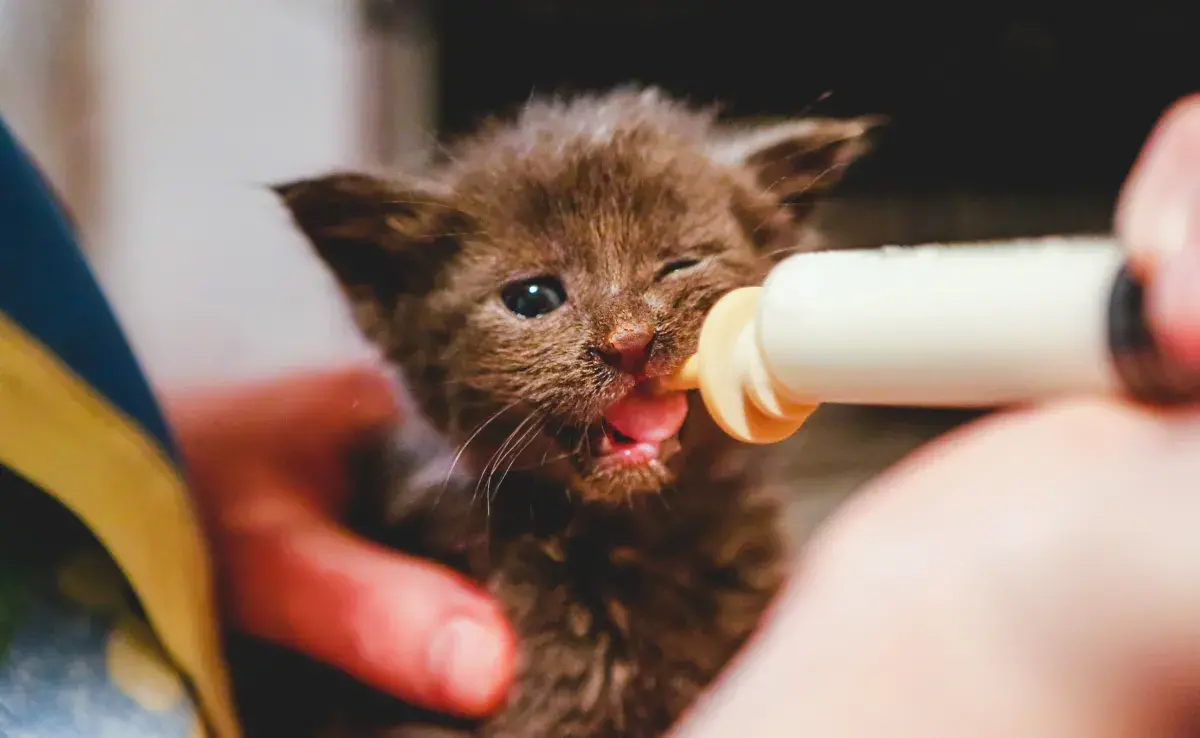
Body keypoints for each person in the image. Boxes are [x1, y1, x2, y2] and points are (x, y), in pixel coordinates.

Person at [172, 93, 1200, 737]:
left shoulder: (756, 548)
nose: (626, 331)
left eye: (679, 267)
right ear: (389, 301)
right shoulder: (461, 568)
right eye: (535, 297)